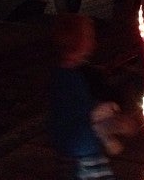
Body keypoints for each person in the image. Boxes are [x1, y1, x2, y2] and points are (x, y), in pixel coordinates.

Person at [48, 13, 117, 180]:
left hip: (70, 147)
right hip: (84, 150)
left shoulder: (63, 74)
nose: (94, 41)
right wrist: (102, 111)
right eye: (90, 36)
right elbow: (84, 112)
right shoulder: (71, 78)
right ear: (78, 43)